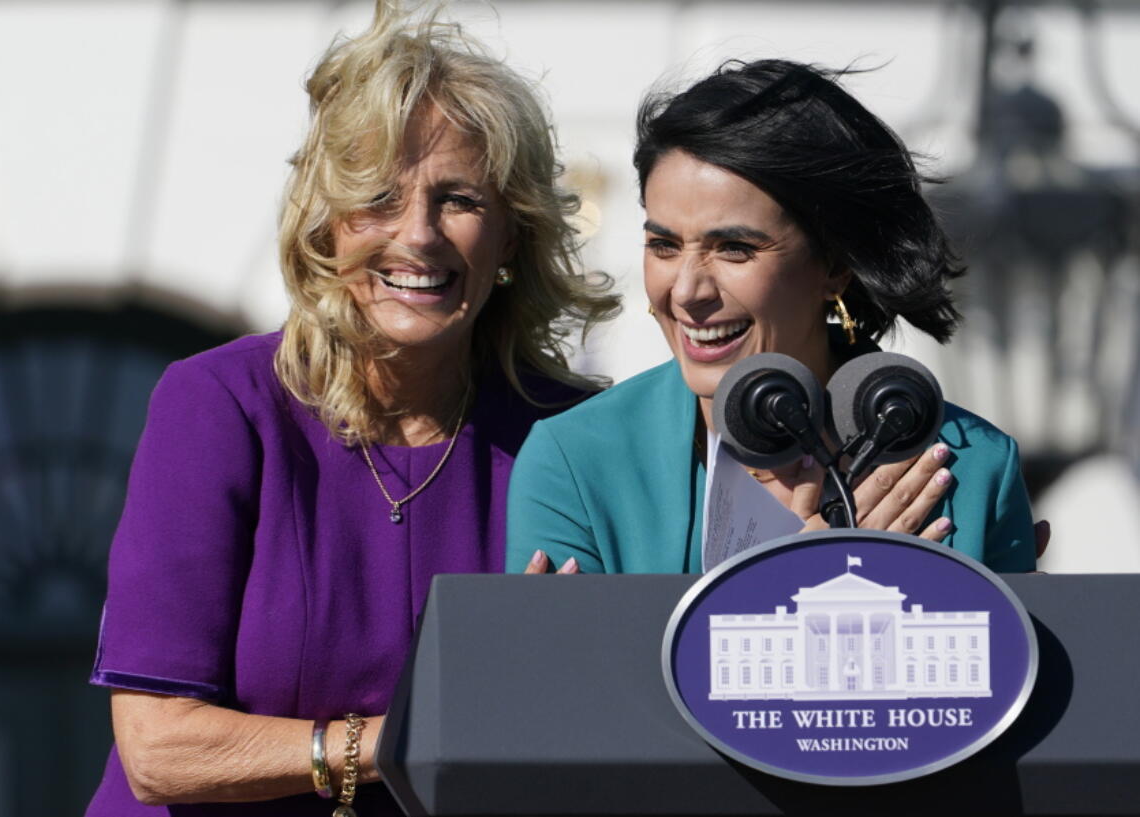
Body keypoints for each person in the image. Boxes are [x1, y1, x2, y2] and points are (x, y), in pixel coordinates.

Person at [85, 4, 618, 815]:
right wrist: (400, 739)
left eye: (459, 198)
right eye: (376, 195)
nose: (418, 235)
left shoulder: (579, 436)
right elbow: (158, 747)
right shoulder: (218, 404)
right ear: (326, 224)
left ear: (513, 233)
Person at [507, 59, 1043, 576]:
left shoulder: (972, 468)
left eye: (735, 248)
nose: (687, 291)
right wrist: (791, 589)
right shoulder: (575, 462)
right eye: (664, 246)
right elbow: (573, 671)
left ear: (834, 265)